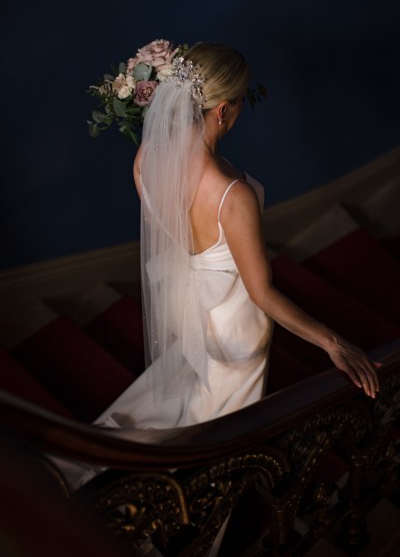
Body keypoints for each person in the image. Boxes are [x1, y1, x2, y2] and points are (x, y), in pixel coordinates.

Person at [94, 42, 380, 433]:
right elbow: (261, 294)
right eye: (241, 100)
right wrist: (334, 343)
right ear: (223, 109)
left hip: (186, 297)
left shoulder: (145, 158)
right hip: (234, 320)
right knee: (223, 416)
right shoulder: (232, 195)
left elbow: (170, 232)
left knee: (196, 380)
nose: (242, 109)